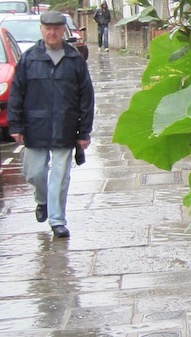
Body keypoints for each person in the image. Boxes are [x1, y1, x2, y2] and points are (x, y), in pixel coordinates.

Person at [8, 11, 95, 238]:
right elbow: (17, 93)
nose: (52, 32)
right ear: (42, 29)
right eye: (48, 28)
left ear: (63, 30)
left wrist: (83, 131)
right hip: (35, 126)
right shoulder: (29, 59)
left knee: (60, 175)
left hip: (65, 126)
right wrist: (15, 125)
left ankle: (57, 220)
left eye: (57, 28)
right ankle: (42, 200)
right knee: (34, 173)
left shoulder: (74, 60)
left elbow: (86, 97)